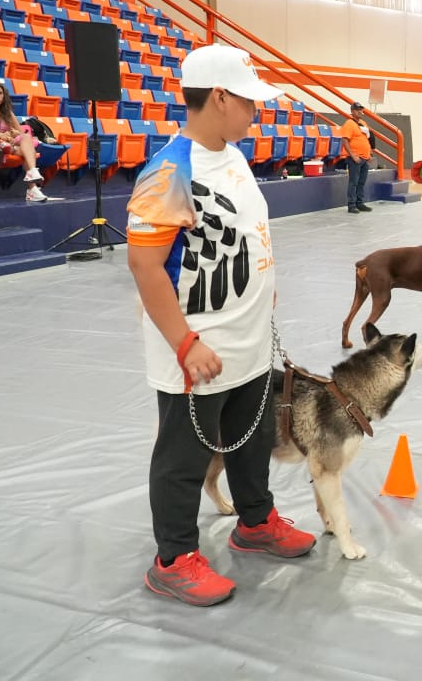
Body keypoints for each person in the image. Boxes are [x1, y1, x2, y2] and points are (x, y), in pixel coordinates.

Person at [127, 44, 317, 608]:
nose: (256, 112)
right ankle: (174, 558)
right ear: (218, 97)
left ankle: (254, 522)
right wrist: (185, 343)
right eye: (248, 101)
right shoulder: (168, 172)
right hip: (197, 349)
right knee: (184, 456)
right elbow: (143, 265)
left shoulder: (232, 157)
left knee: (251, 439)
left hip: (249, 340)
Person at [339, 101, 374, 213]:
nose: (360, 111)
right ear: (352, 111)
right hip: (356, 158)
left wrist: (369, 154)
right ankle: (351, 205)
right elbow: (345, 140)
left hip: (364, 158)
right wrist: (353, 155)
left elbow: (366, 139)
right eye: (357, 109)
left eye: (361, 109)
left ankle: (360, 203)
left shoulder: (363, 123)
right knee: (353, 182)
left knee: (361, 182)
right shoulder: (349, 124)